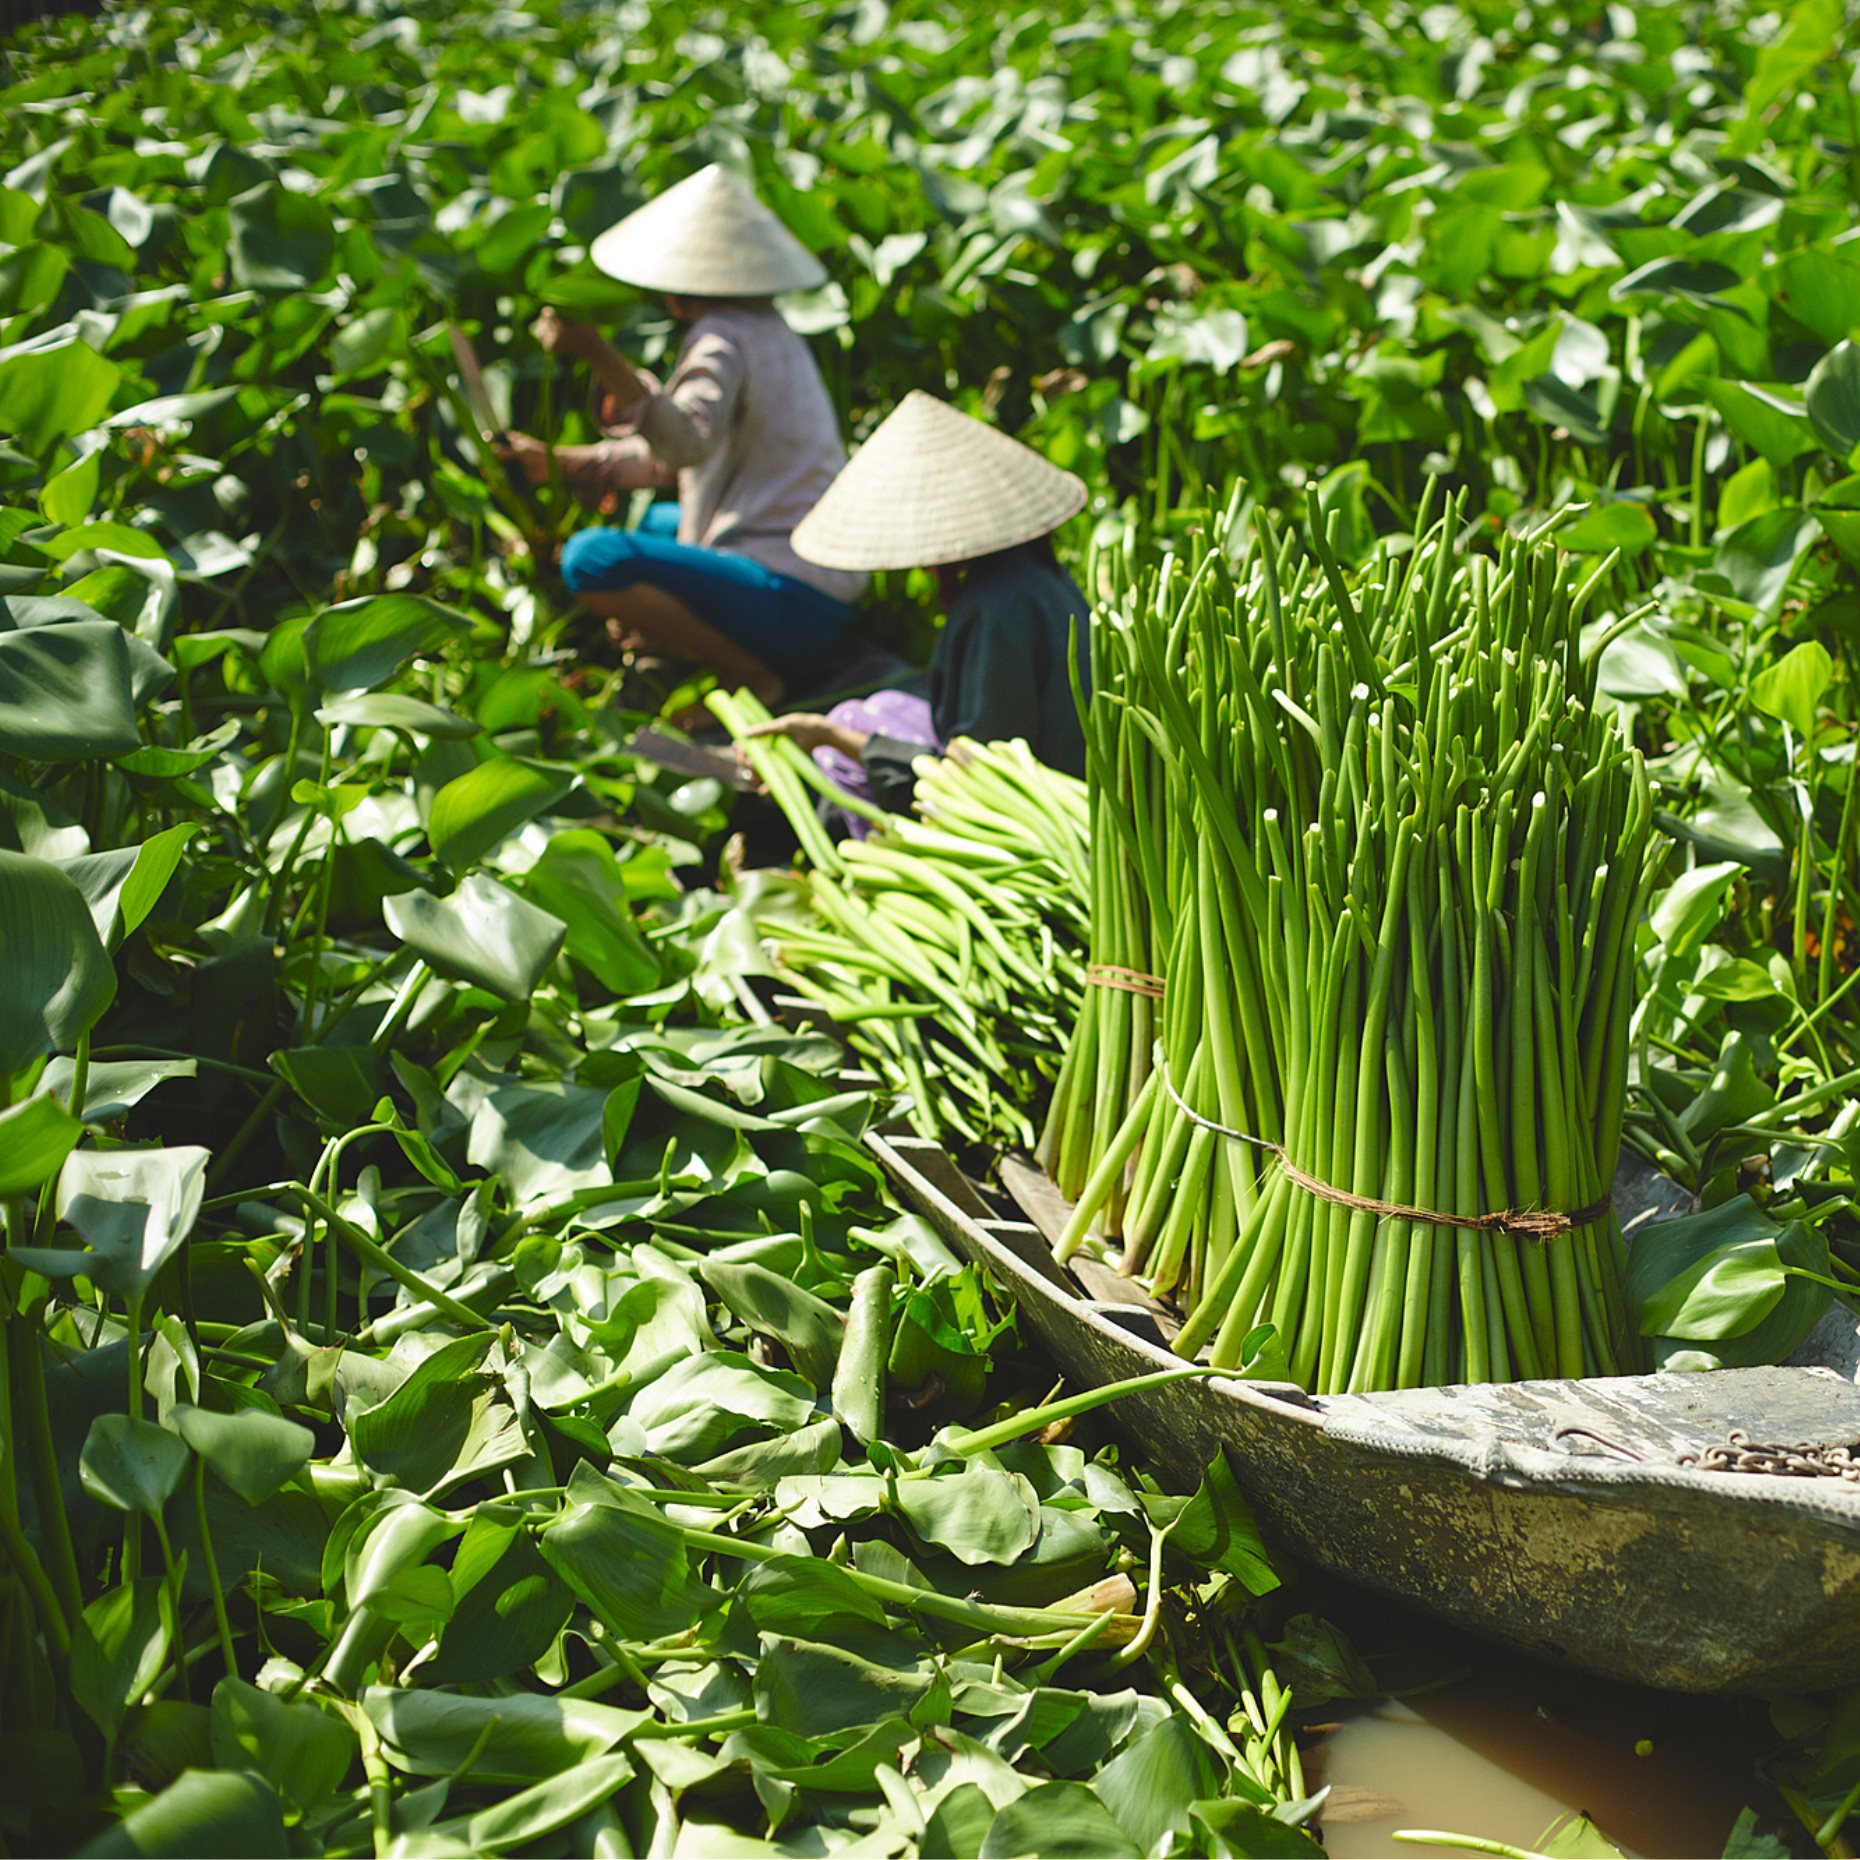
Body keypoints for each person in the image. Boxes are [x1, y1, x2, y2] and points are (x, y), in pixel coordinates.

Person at [498, 164, 865, 704]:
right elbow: (673, 464)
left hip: (792, 603)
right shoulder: (772, 330)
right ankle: (668, 640)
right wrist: (557, 461)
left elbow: (683, 444)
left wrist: (598, 354)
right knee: (654, 519)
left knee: (592, 559)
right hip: (821, 590)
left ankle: (750, 673)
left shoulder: (721, 336)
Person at [745, 390, 1091, 826]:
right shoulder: (1039, 573)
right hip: (1042, 764)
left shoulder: (993, 611)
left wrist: (826, 737)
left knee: (838, 752)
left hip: (1041, 806)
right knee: (874, 709)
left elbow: (975, 778)